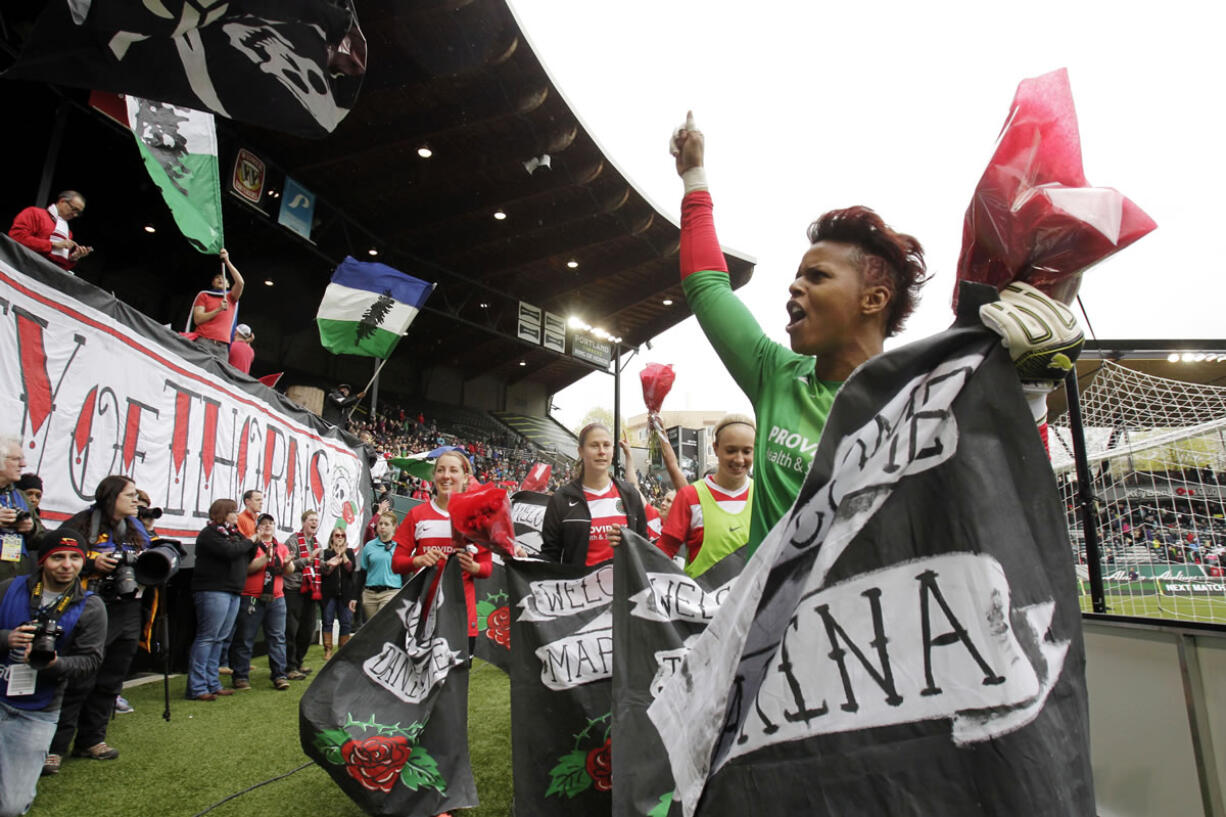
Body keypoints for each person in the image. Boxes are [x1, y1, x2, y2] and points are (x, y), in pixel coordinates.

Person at [670, 114, 930, 552]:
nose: (795, 286)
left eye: (818, 276)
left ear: (873, 300)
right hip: (766, 622)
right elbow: (706, 284)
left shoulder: (916, 405)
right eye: (796, 275)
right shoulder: (778, 376)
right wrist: (693, 178)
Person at [49, 475, 150, 764]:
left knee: (111, 679)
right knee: (78, 678)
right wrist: (93, 564)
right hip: (89, 606)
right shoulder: (80, 524)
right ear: (111, 497)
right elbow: (53, 557)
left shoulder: (136, 528)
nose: (135, 500)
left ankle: (92, 740)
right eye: (129, 495)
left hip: (128, 608)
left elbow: (150, 558)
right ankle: (55, 747)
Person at [0, 529, 105, 806]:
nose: (67, 565)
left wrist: (54, 663)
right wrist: (6, 638)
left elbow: (91, 661)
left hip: (36, 710)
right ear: (42, 560)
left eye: (75, 557)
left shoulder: (91, 606)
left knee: (10, 807)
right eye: (58, 557)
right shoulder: (9, 587)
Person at [392, 452, 492, 653]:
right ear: (433, 476)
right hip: (422, 615)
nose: (446, 476)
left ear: (465, 477)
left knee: (455, 684)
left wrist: (472, 567)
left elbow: (487, 568)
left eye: (453, 470)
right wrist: (418, 560)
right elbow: (396, 563)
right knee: (420, 682)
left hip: (462, 618)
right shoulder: (417, 515)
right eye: (440, 470)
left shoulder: (476, 519)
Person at [657, 414, 756, 577]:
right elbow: (663, 553)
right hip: (699, 600)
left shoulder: (761, 496)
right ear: (716, 448)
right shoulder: (690, 496)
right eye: (731, 451)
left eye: (747, 451)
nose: (739, 459)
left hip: (751, 601)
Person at [541, 423, 648, 565]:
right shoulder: (561, 499)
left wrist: (629, 542)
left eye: (606, 445)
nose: (602, 451)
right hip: (578, 586)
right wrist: (523, 559)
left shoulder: (630, 495)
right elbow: (549, 557)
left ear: (613, 451)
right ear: (581, 451)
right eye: (594, 445)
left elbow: (645, 548)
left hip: (624, 586)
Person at [186, 499, 253, 701]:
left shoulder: (233, 535)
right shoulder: (210, 534)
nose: (236, 515)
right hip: (213, 589)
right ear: (223, 513)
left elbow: (245, 553)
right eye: (233, 512)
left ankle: (213, 682)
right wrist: (250, 541)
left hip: (232, 590)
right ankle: (197, 686)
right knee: (207, 637)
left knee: (220, 638)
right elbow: (231, 552)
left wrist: (247, 542)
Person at [231, 514, 294, 691]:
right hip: (252, 597)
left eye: (270, 523)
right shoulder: (250, 546)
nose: (267, 526)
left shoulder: (280, 547)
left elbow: (289, 571)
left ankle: (279, 675)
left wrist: (288, 563)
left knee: (277, 638)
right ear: (257, 527)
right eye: (263, 524)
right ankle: (241, 676)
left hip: (276, 598)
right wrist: (265, 558)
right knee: (245, 637)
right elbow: (247, 568)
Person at [8, 190, 93, 272]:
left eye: (78, 213)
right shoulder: (34, 213)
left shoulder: (68, 233)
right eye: (74, 209)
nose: (75, 214)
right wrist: (53, 245)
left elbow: (58, 268)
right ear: (62, 201)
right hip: (20, 267)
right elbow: (16, 237)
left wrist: (72, 258)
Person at [283, 510, 323, 681]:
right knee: (291, 629)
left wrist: (328, 565)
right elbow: (289, 565)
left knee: (307, 629)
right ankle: (289, 666)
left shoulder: (316, 543)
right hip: (293, 589)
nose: (314, 523)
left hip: (311, 591)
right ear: (303, 522)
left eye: (316, 520)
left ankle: (298, 661)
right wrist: (307, 560)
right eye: (311, 520)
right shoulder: (292, 541)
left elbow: (318, 565)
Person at [188, 248, 245, 362]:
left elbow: (240, 282)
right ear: (212, 283)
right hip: (204, 341)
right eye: (217, 278)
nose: (220, 279)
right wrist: (218, 309)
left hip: (222, 347)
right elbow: (198, 319)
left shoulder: (231, 297)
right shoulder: (204, 295)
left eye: (223, 278)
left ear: (228, 285)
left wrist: (227, 261)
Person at [0, 437, 37, 582]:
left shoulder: (20, 496)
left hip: (15, 581)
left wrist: (31, 528)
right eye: (16, 459)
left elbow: (41, 539)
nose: (23, 464)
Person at [318, 526, 357, 660]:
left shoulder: (350, 552)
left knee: (346, 622)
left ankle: (342, 651)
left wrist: (343, 553)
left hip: (346, 594)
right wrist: (334, 560)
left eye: (342, 535)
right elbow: (324, 571)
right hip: (329, 594)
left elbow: (350, 569)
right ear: (332, 538)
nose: (340, 537)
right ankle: (328, 650)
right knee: (327, 621)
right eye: (337, 535)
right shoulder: (326, 553)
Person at [359, 512, 402, 619]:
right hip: (370, 594)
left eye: (386, 524)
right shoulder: (369, 546)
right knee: (371, 629)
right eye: (380, 523)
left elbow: (405, 573)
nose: (382, 526)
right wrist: (355, 597)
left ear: (394, 527)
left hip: (390, 592)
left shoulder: (400, 547)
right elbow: (362, 572)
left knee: (381, 622)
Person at [15, 474, 45, 539]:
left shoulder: (38, 523)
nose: (34, 499)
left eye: (38, 496)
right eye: (29, 494)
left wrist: (33, 529)